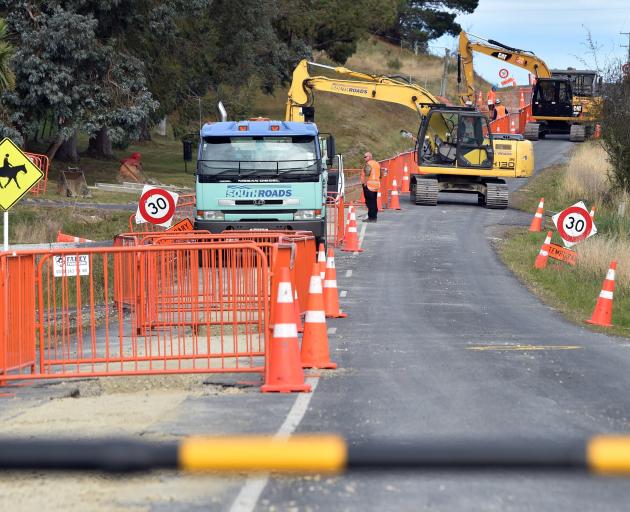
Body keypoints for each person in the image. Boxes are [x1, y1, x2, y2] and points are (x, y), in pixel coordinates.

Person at [361, 151, 380, 222]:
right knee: (374, 202)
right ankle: (374, 217)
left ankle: (371, 218)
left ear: (370, 157)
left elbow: (367, 174)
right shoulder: (377, 164)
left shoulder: (368, 164)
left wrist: (365, 183)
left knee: (369, 202)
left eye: (365, 157)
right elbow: (380, 175)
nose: (364, 158)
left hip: (369, 186)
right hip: (376, 185)